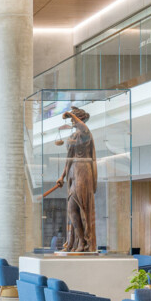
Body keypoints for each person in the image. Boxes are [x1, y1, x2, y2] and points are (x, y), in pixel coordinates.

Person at [52, 106, 97, 252]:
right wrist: (62, 176)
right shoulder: (74, 136)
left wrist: (70, 114)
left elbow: (83, 127)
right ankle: (79, 240)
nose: (72, 121)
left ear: (80, 118)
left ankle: (84, 242)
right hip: (73, 172)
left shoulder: (85, 133)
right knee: (72, 208)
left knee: (80, 204)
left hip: (83, 170)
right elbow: (68, 159)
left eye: (74, 118)